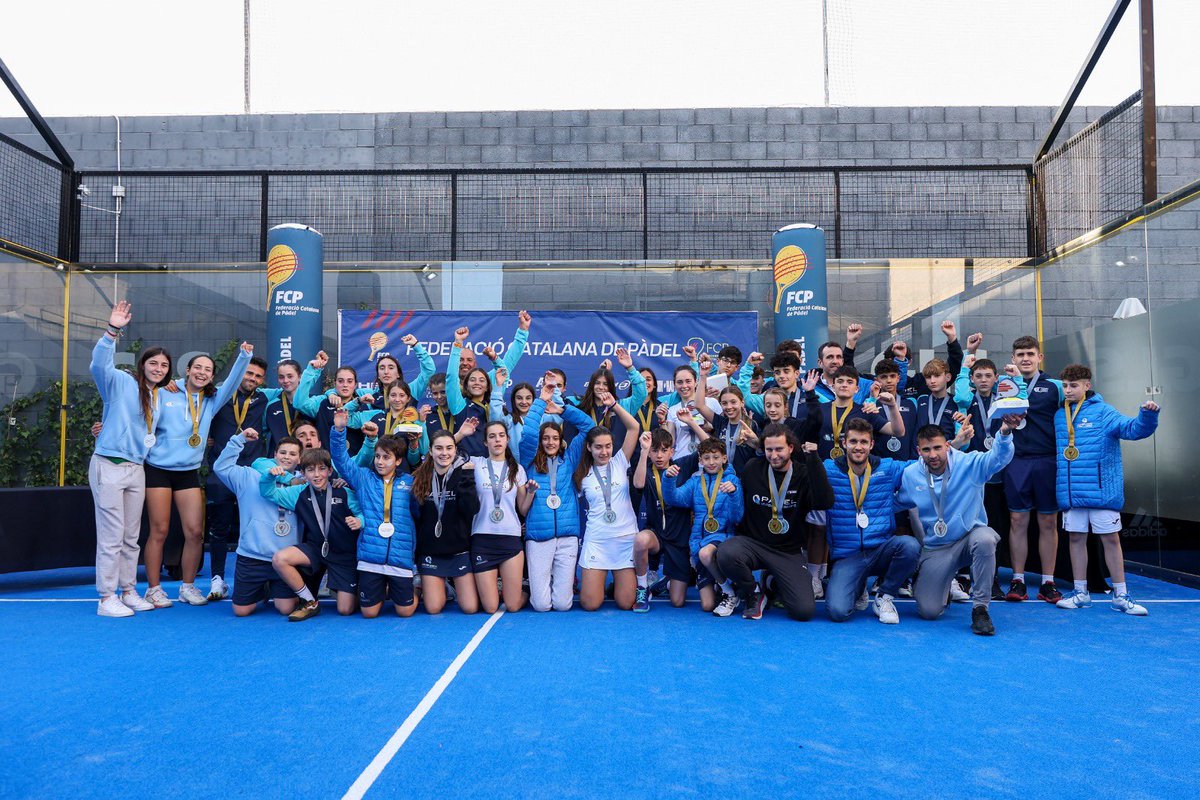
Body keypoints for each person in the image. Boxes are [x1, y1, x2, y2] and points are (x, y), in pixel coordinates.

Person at [142, 341, 253, 608]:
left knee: (194, 532)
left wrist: (244, 357)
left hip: (188, 472)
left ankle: (188, 587)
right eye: (198, 368)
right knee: (160, 530)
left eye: (208, 370)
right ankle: (153, 589)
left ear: (212, 376)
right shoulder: (163, 392)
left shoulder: (212, 400)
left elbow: (232, 383)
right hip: (158, 470)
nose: (202, 373)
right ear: (188, 370)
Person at [897, 417, 1021, 636]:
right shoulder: (911, 475)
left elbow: (999, 458)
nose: (933, 455)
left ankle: (980, 608)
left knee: (986, 539)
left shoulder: (969, 464)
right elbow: (899, 502)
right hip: (937, 548)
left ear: (947, 445)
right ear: (918, 451)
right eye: (926, 449)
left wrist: (1004, 433)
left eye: (937, 447)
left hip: (969, 538)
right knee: (929, 611)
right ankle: (941, 586)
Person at [1052, 364, 1159, 615]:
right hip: (1072, 493)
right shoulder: (1059, 415)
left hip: (1101, 493)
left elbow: (1133, 429)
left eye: (1074, 385)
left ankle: (1121, 595)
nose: (1068, 390)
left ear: (1087, 385)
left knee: (1110, 540)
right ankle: (1080, 593)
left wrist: (1148, 415)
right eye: (1065, 385)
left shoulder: (1104, 411)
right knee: (1075, 539)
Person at [88, 301, 170, 617]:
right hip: (109, 464)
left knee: (131, 537)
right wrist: (112, 330)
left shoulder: (158, 397)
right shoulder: (121, 382)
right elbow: (98, 366)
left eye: (164, 365)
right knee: (111, 536)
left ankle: (128, 590)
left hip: (137, 468)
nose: (158, 368)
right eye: (153, 363)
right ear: (142, 364)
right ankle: (106, 597)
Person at [716, 423, 834, 621]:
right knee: (726, 552)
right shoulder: (752, 468)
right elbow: (739, 507)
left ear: (791, 448)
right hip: (754, 545)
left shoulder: (803, 473)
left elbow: (825, 502)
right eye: (769, 450)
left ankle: (772, 581)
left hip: (787, 551)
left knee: (803, 611)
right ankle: (754, 592)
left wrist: (813, 459)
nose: (774, 455)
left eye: (779, 449)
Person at [823, 418, 919, 624]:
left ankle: (885, 595)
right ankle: (858, 588)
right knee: (838, 612)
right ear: (844, 443)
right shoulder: (828, 470)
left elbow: (922, 465)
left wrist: (954, 445)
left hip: (881, 549)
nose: (858, 447)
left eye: (863, 442)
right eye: (853, 441)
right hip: (848, 556)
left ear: (872, 444)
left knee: (910, 546)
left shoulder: (887, 467)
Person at [329, 409, 418, 618]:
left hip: (400, 555)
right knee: (369, 613)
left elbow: (417, 512)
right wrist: (339, 430)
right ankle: (382, 590)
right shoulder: (364, 478)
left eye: (386, 457)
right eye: (377, 456)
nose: (380, 461)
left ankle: (418, 586)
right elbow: (341, 460)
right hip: (371, 556)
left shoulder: (410, 482)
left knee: (405, 612)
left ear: (398, 461)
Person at [259, 447, 365, 620]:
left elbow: (362, 512)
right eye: (310, 470)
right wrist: (269, 476)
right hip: (315, 549)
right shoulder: (298, 493)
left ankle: (345, 587)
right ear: (303, 473)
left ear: (330, 471)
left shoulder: (343, 492)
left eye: (322, 469)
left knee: (345, 609)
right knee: (280, 559)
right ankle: (309, 601)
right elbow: (268, 492)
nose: (317, 475)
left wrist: (360, 521)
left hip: (344, 555)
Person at [519, 382, 595, 612]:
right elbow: (528, 433)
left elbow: (589, 428)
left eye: (554, 438)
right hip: (538, 538)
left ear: (561, 440)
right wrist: (540, 402)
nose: (550, 442)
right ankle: (530, 587)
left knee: (563, 605)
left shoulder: (569, 460)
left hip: (567, 536)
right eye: (546, 438)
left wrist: (562, 411)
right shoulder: (529, 462)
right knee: (541, 606)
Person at [212, 428, 303, 617]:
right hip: (252, 557)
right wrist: (239, 440)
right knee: (241, 611)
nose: (287, 457)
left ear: (299, 459)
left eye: (293, 454)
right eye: (283, 452)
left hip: (284, 560)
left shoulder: (303, 483)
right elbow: (221, 467)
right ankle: (263, 589)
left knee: (286, 609)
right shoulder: (249, 476)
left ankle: (270, 588)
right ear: (274, 455)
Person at [204, 354, 271, 601]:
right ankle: (217, 579)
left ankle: (260, 580)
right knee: (219, 528)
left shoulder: (265, 399)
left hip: (251, 473)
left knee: (255, 526)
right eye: (249, 373)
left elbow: (292, 393)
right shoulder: (218, 395)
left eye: (258, 376)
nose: (252, 378)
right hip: (222, 471)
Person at [1004, 335, 1065, 604]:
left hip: (1047, 460)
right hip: (1016, 460)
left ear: (1040, 357)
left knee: (1048, 521)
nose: (1025, 358)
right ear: (1013, 359)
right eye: (1020, 354)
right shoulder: (1005, 385)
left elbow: (1081, 404)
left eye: (1030, 354)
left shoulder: (1056, 386)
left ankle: (1047, 581)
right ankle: (1017, 579)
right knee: (1017, 520)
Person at [663, 438, 744, 615]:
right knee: (707, 605)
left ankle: (730, 593)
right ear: (700, 460)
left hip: (723, 539)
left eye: (716, 457)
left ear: (724, 458)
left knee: (706, 553)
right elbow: (674, 498)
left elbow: (737, 517)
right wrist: (668, 479)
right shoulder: (695, 482)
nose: (711, 462)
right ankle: (720, 583)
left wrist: (733, 494)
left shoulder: (732, 481)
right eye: (706, 458)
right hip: (699, 542)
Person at [576, 400, 642, 611]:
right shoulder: (581, 474)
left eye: (608, 446)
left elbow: (634, 427)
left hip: (625, 539)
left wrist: (614, 405)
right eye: (598, 447)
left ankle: (618, 585)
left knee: (626, 603)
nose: (604, 452)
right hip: (597, 540)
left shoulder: (620, 461)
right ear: (589, 447)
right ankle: (600, 582)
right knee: (590, 604)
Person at [409, 430, 482, 614]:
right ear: (431, 451)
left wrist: (468, 479)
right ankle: (441, 587)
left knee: (470, 608)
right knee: (433, 608)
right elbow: (416, 517)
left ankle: (447, 586)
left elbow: (471, 509)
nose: (444, 453)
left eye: (449, 448)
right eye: (439, 448)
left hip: (458, 551)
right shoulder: (421, 477)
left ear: (455, 450)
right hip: (431, 552)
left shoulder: (463, 473)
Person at [468, 421, 536, 613]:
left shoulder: (517, 469)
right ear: (485, 442)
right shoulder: (476, 464)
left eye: (501, 435)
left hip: (510, 540)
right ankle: (496, 588)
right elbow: (446, 451)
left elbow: (523, 510)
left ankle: (526, 589)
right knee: (490, 607)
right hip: (482, 540)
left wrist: (530, 493)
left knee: (512, 606)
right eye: (492, 436)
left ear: (507, 439)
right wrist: (462, 434)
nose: (497, 440)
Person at [631, 428, 697, 610]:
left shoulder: (682, 466)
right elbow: (638, 484)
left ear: (672, 451)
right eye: (654, 450)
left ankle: (666, 582)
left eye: (664, 450)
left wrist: (691, 422)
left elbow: (710, 447)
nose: (659, 455)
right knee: (641, 540)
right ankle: (643, 588)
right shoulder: (645, 469)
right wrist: (644, 451)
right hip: (656, 535)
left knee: (677, 602)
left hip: (678, 539)